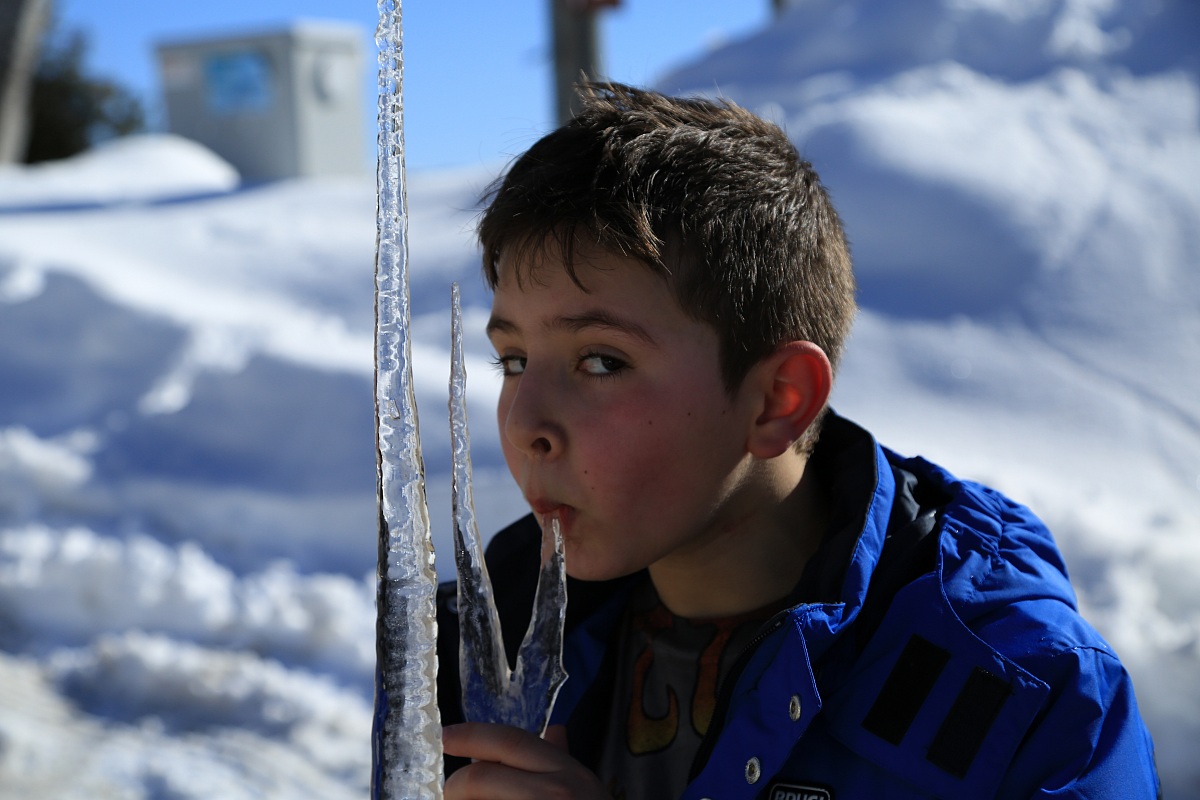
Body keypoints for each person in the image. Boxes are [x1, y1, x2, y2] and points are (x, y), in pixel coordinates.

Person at [434, 82, 1161, 799]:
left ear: (777, 400)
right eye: (514, 361)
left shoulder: (1021, 695)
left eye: (601, 362)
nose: (526, 424)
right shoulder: (483, 636)